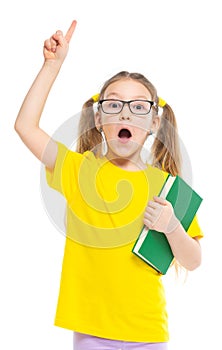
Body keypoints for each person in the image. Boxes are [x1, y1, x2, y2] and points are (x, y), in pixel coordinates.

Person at [14, 20, 203, 350]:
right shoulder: (78, 170)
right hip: (91, 333)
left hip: (148, 333)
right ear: (99, 118)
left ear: (154, 122)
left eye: (139, 107)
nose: (126, 114)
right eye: (114, 104)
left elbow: (193, 260)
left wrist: (171, 225)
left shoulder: (167, 187)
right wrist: (52, 66)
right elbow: (26, 126)